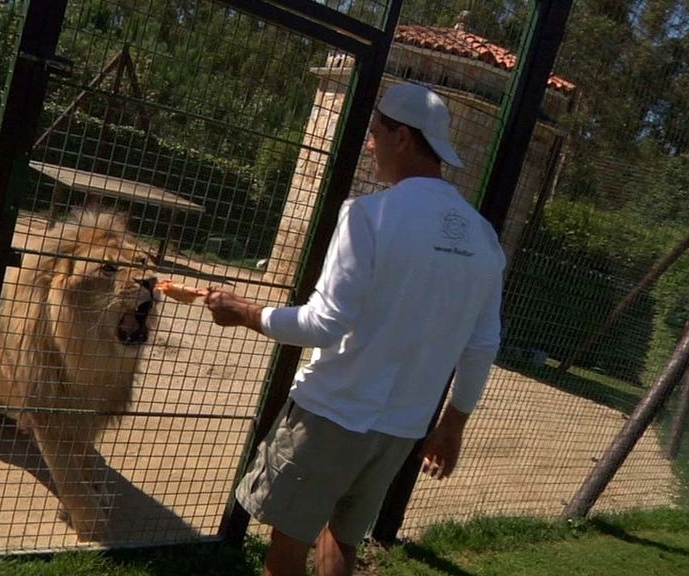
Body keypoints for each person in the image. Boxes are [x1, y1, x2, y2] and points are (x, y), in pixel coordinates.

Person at [204, 82, 505, 576]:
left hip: (333, 412)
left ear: (402, 138)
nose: (369, 145)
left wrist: (247, 313)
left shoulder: (369, 214)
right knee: (342, 539)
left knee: (288, 545)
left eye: (374, 133)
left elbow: (324, 324)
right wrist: (452, 425)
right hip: (401, 428)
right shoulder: (482, 236)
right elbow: (483, 342)